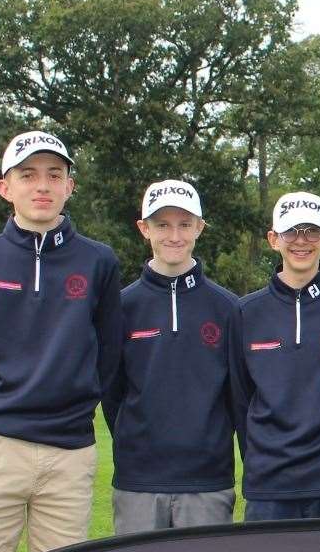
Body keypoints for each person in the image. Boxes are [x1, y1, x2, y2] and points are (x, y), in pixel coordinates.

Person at [0, 131, 122, 552]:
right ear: (6, 188)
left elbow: (108, 351)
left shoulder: (99, 261)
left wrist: (76, 402)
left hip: (68, 451)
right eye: (28, 175)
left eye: (53, 175)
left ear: (69, 187)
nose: (41, 186)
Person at [102, 180, 242, 533]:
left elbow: (238, 395)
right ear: (144, 229)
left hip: (207, 480)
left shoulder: (229, 308)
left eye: (184, 224)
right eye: (162, 225)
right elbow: (111, 391)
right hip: (138, 479)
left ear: (200, 227)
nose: (174, 236)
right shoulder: (121, 306)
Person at [234, 191, 320, 520]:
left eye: (312, 232)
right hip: (269, 484)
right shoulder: (246, 311)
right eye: (291, 232)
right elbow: (240, 397)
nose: (301, 241)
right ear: (273, 239)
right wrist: (259, 458)